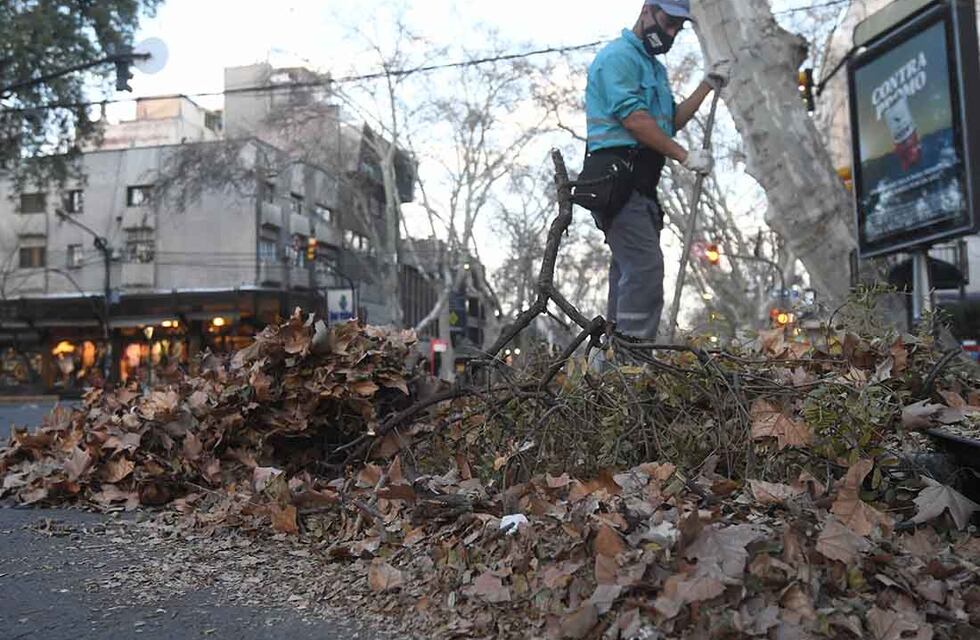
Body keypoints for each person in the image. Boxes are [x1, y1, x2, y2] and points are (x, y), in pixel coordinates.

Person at [585, 0, 730, 339]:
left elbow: (668, 123)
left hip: (641, 188)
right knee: (644, 270)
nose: (671, 33)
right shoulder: (618, 58)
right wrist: (685, 157)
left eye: (678, 28)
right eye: (668, 22)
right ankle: (633, 359)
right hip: (618, 183)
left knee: (627, 273)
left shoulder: (654, 69)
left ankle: (613, 359)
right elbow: (635, 120)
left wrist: (707, 85)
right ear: (647, 10)